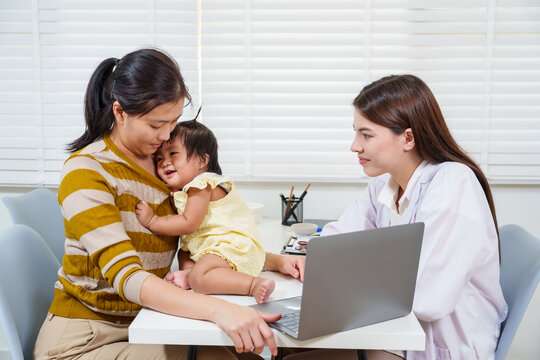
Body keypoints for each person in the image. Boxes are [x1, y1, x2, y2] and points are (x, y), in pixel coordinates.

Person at [33, 47, 305, 360]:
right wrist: (221, 311)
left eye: (173, 123)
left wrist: (272, 260)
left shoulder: (164, 166)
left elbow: (208, 232)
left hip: (148, 320)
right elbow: (128, 277)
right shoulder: (86, 172)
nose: (165, 136)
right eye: (155, 125)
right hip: (86, 339)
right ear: (119, 112)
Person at [294, 74, 506, 360]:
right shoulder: (383, 185)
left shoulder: (454, 183)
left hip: (438, 345)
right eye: (356, 133)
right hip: (390, 334)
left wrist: (348, 276)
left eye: (366, 135)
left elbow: (428, 299)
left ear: (407, 138)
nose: (354, 146)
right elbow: (333, 246)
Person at [135, 119, 275, 304]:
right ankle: (190, 272)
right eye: (159, 158)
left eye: (173, 154)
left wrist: (153, 221)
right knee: (183, 252)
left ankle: (252, 285)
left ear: (202, 160)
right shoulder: (186, 190)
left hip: (229, 244)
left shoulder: (202, 184)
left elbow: (189, 223)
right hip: (209, 246)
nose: (165, 162)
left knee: (198, 281)